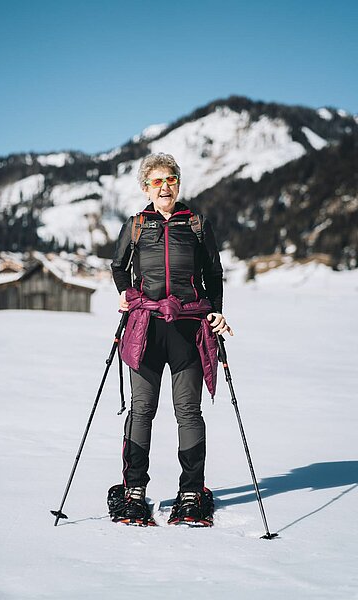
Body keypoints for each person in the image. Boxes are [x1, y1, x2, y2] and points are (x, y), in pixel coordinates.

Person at [108, 152, 233, 526]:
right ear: (146, 187)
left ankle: (192, 491)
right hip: (145, 327)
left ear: (178, 183)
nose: (166, 187)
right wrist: (126, 293)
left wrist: (216, 310)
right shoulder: (136, 225)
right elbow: (118, 266)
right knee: (142, 409)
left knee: (188, 411)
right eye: (158, 181)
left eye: (172, 179)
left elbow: (214, 272)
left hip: (189, 327)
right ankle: (133, 490)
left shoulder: (196, 224)